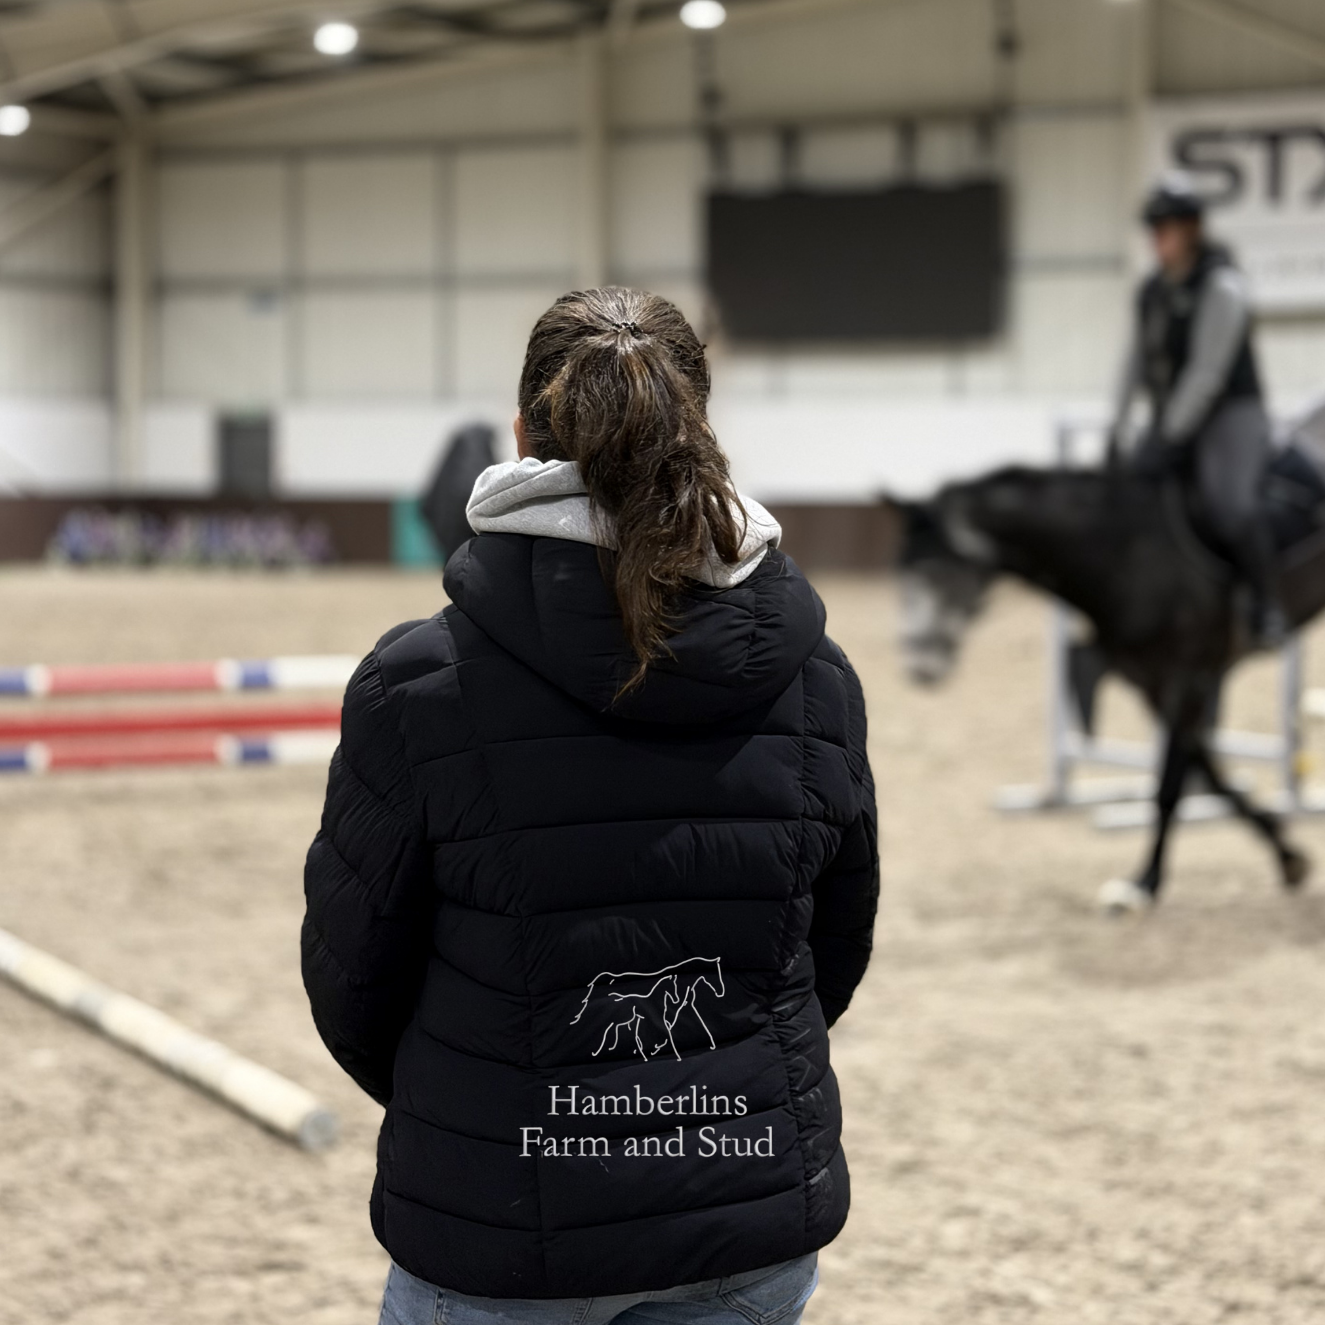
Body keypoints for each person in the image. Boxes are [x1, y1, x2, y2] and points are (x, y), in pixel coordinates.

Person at [301, 287, 879, 1325]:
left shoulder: (415, 683)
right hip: (742, 1220)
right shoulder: (818, 678)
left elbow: (352, 975)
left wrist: (479, 1102)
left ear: (521, 435)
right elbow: (827, 952)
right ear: (696, 431)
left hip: (494, 1230)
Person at [1110, 173, 1286, 644]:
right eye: (1154, 228)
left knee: (1230, 505)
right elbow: (1135, 360)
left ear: (1191, 229)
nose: (1158, 238)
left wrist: (1165, 439)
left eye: (1166, 227)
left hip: (1231, 413)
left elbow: (1206, 376)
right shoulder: (1151, 291)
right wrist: (1120, 427)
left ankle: (1265, 604)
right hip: (1176, 416)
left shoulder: (1222, 287)